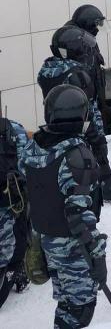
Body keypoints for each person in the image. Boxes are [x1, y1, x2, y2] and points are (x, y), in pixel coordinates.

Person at [19, 85, 106, 329]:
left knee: (67, 304)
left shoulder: (35, 148)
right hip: (72, 247)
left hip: (47, 241)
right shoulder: (76, 155)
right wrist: (97, 255)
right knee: (80, 309)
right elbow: (78, 214)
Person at [38, 25, 111, 202]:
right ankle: (104, 190)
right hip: (83, 124)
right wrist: (95, 135)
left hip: (56, 123)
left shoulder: (47, 71)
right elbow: (85, 106)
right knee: (94, 155)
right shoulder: (77, 74)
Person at [0, 118, 29, 307]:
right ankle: (17, 272)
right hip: (12, 200)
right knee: (18, 237)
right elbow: (27, 164)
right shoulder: (14, 128)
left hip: (10, 200)